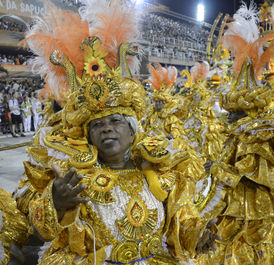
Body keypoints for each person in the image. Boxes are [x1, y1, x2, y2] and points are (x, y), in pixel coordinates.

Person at [19, 2, 220, 264]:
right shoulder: (72, 177)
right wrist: (55, 203)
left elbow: (181, 222)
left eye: (115, 121)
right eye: (97, 125)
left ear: (133, 128)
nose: (107, 129)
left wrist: (199, 235)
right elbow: (34, 235)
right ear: (88, 135)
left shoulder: (159, 172)